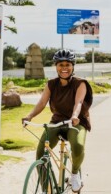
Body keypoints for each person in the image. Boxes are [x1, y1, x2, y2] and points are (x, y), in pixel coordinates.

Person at [22, 49, 93, 192]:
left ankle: (74, 174)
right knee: (41, 153)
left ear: (73, 66)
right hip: (57, 122)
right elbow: (42, 103)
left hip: (76, 122)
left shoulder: (80, 83)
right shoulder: (51, 84)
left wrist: (74, 116)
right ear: (56, 66)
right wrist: (29, 116)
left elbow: (78, 103)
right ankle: (47, 189)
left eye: (68, 64)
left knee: (78, 146)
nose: (64, 68)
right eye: (61, 65)